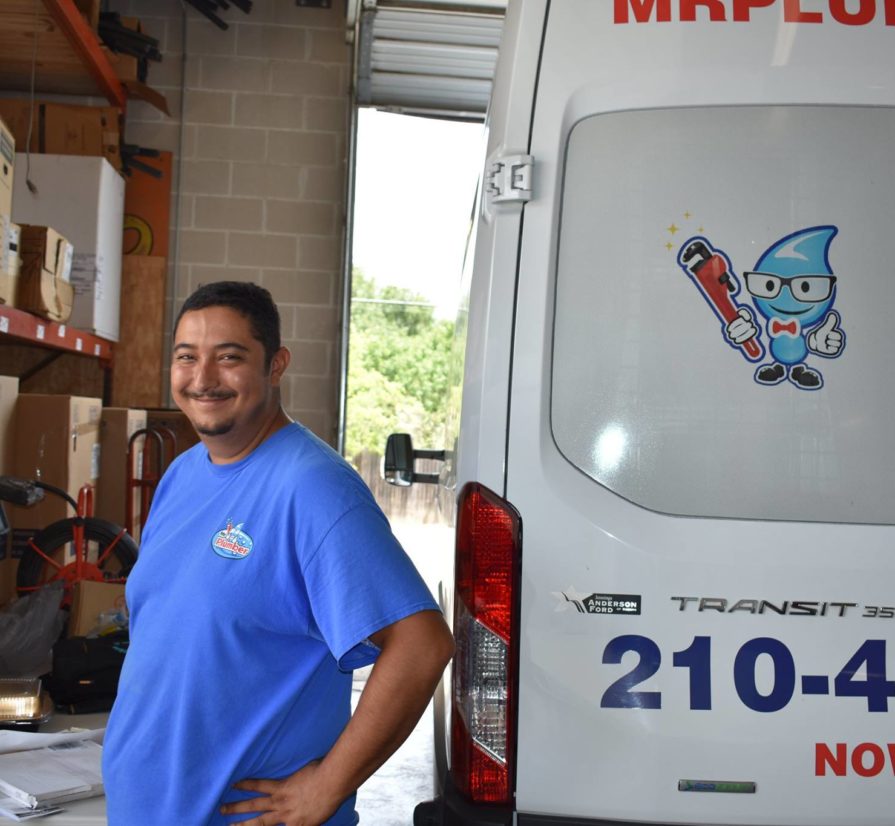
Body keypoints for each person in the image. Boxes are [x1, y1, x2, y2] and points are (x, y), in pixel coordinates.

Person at [102, 281, 455, 825]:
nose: (203, 378)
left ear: (276, 365)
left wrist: (326, 789)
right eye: (186, 357)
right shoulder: (181, 475)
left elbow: (421, 645)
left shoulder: (312, 487)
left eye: (229, 357)